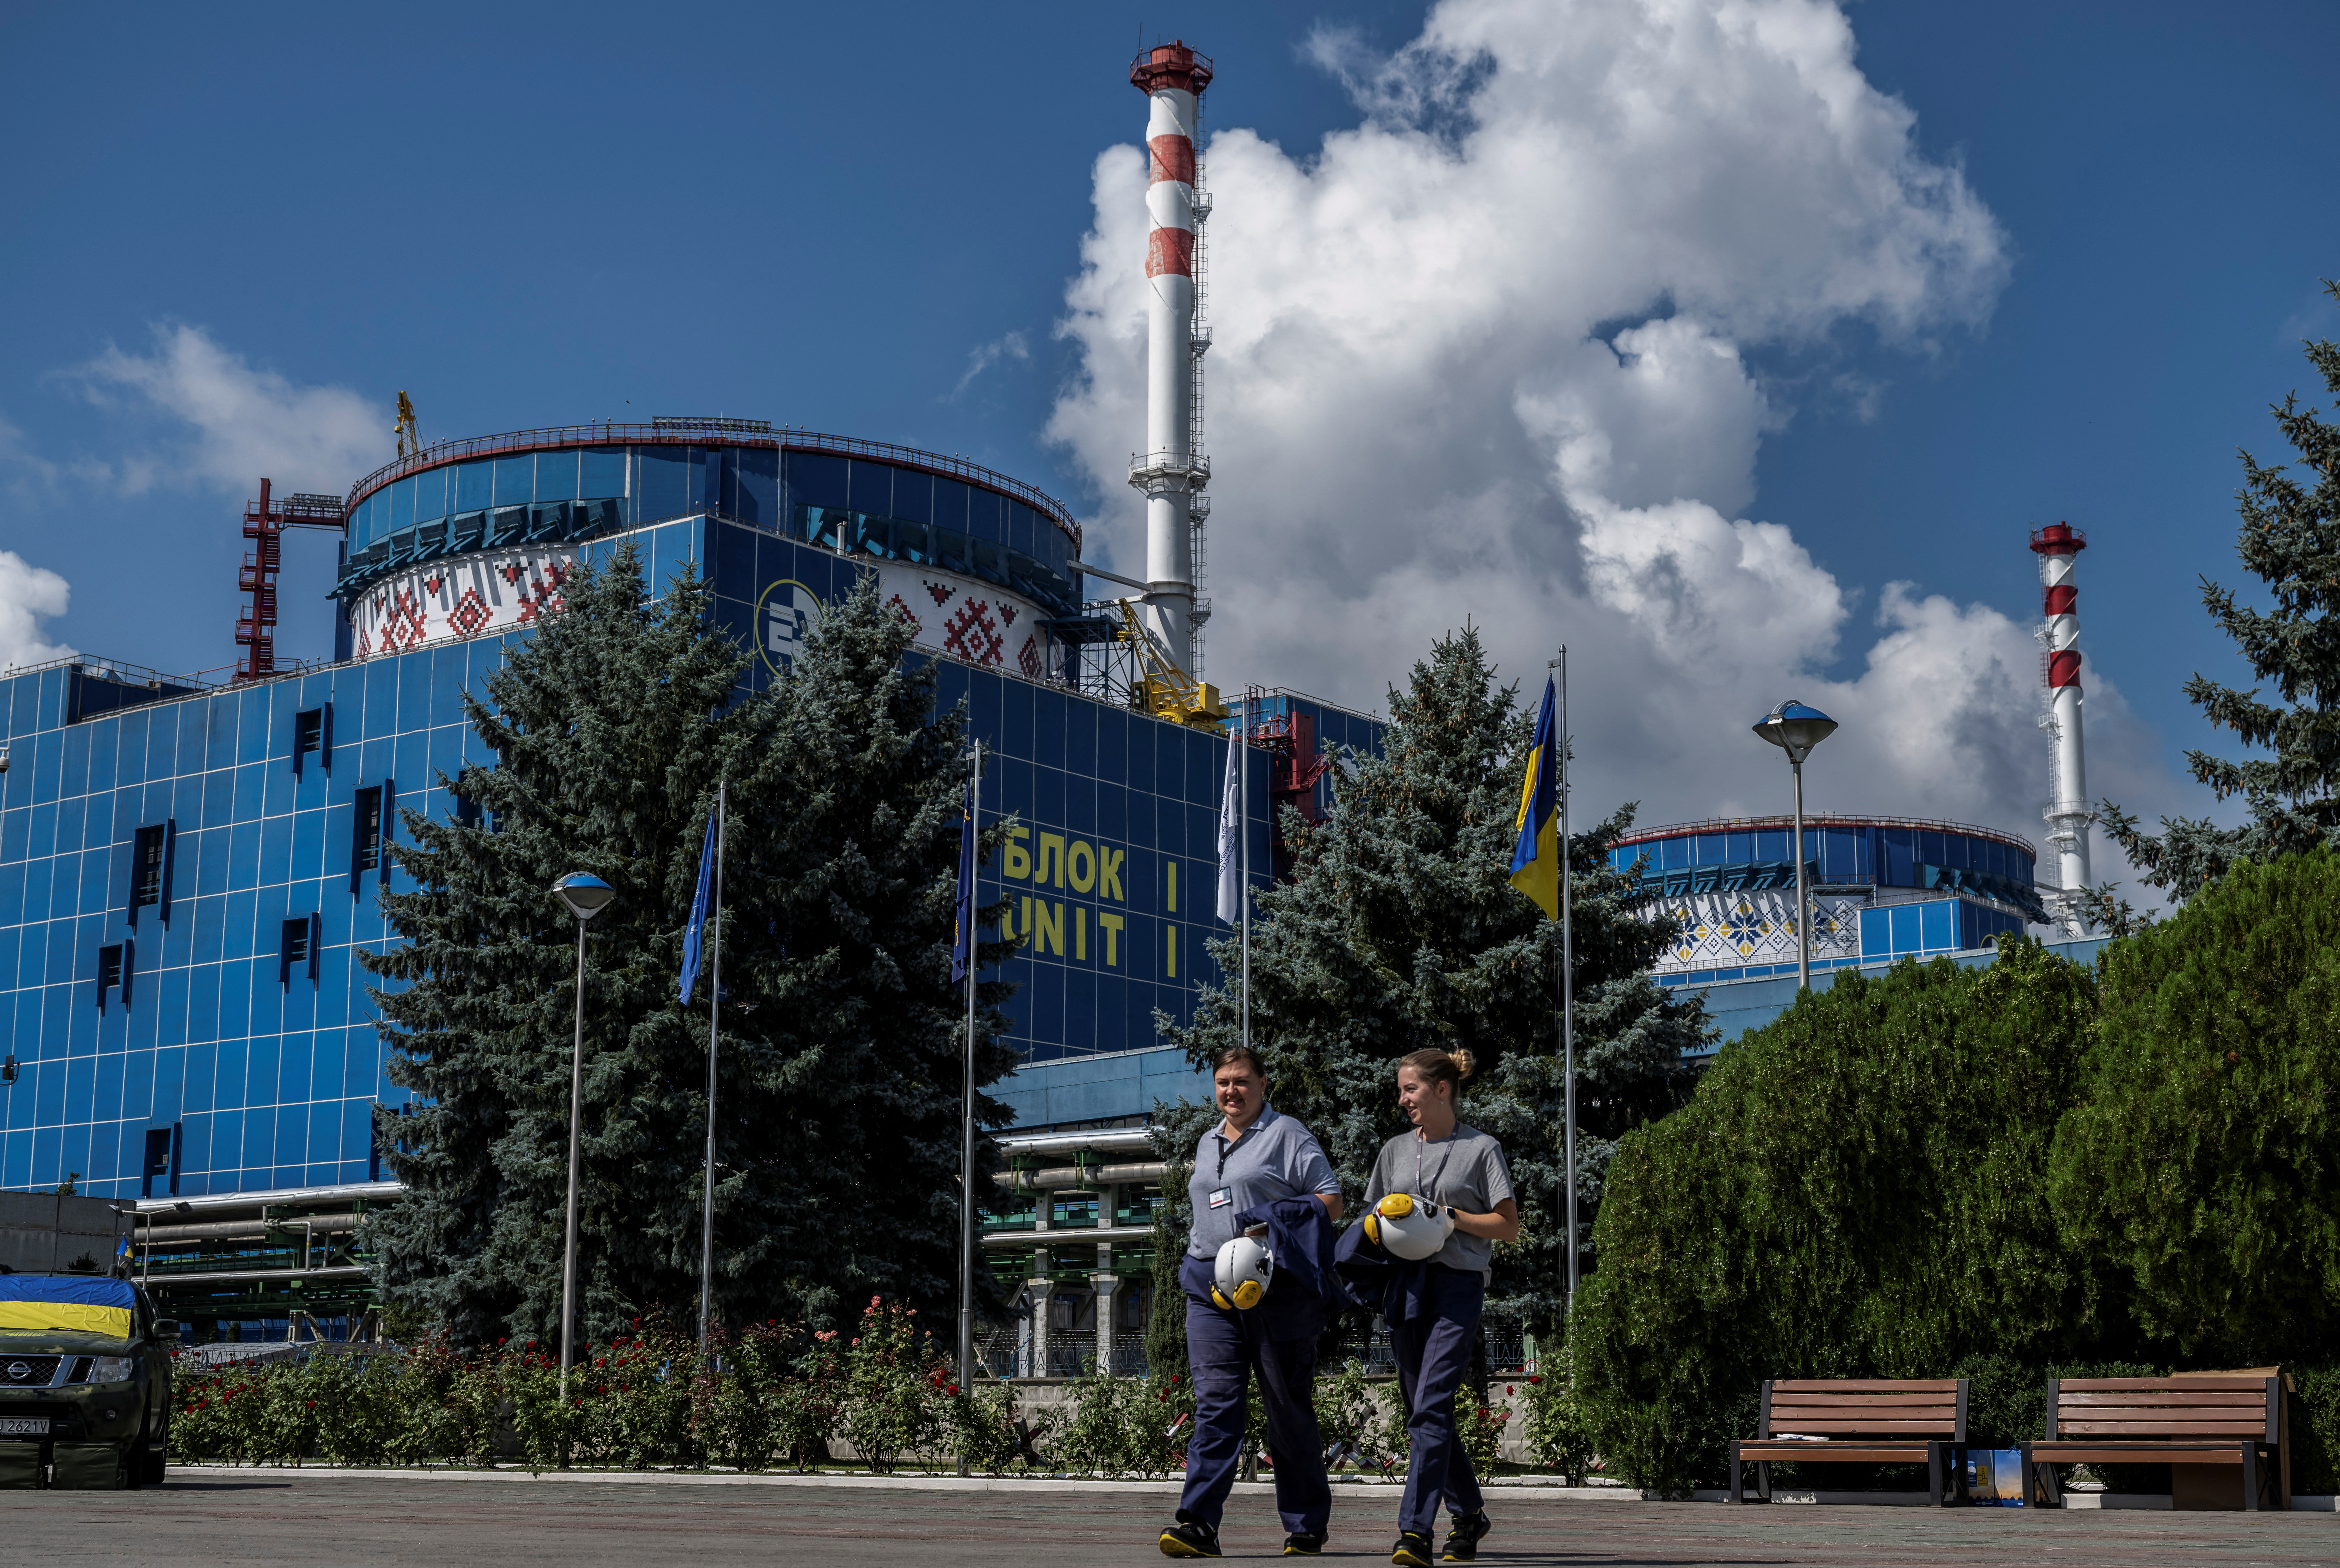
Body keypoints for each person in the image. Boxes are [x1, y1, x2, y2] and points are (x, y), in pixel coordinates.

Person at [1158, 1044, 1345, 1559]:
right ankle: (1199, 1524)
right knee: (1216, 1404)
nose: (1232, 1091)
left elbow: (1331, 1200)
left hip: (1274, 1288)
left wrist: (1273, 1223)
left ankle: (1306, 1526)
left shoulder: (1287, 1134)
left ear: (1263, 1085)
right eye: (1223, 1082)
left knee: (1286, 1408)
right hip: (1210, 1286)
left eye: (1241, 1081)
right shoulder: (1207, 1141)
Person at [1361, 1048, 1518, 1566]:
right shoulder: (1394, 1151)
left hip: (1457, 1286)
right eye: (1401, 1091)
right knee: (1423, 1412)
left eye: (1411, 1089)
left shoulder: (1481, 1149)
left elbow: (1508, 1226)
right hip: (1405, 1285)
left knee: (1430, 1407)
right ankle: (1469, 1514)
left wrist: (1450, 1217)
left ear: (1442, 1090)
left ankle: (1415, 1531)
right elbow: (1371, 1216)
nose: (1402, 1100)